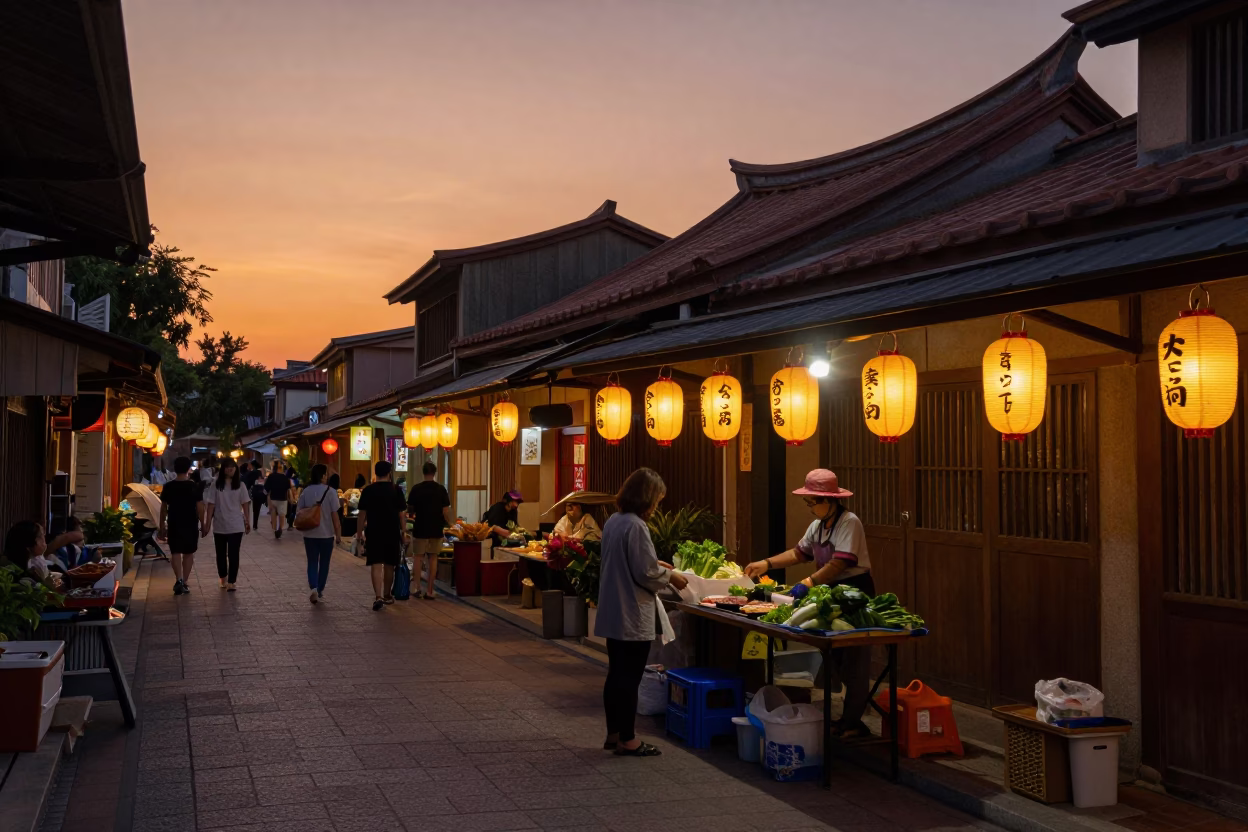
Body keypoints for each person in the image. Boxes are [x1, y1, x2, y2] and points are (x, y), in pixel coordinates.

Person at [744, 469, 874, 740]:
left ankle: (852, 722)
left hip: (853, 595)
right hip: (829, 593)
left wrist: (808, 583)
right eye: (809, 503)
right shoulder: (817, 526)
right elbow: (798, 553)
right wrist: (766, 563)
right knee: (834, 658)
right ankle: (841, 718)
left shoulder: (850, 522)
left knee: (855, 660)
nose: (810, 508)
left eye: (813, 502)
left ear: (829, 500)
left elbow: (841, 563)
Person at [595, 468, 688, 757]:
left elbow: (628, 558)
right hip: (631, 611)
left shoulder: (614, 520)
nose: (657, 506)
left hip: (613, 608)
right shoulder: (636, 525)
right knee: (629, 677)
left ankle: (613, 734)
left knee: (616, 674)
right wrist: (671, 577)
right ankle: (629, 739)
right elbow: (645, 571)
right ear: (647, 498)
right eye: (657, 500)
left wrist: (655, 562)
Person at [356, 460, 408, 611]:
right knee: (390, 564)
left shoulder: (368, 490)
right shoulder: (396, 490)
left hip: (374, 531)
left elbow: (361, 514)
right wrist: (404, 532)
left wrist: (359, 533)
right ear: (389, 473)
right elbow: (401, 514)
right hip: (392, 531)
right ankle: (386, 595)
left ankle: (378, 596)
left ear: (376, 473)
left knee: (376, 563)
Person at [295, 463, 342, 604]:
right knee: (325, 562)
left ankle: (313, 588)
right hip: (326, 534)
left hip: (309, 534)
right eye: (326, 474)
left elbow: (299, 511)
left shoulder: (306, 491)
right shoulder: (331, 492)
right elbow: (335, 516)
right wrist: (338, 534)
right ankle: (320, 589)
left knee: (312, 562)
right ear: (322, 476)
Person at [202, 458, 251, 591]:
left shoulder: (241, 486)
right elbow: (210, 505)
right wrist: (207, 524)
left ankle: (232, 581)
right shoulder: (216, 485)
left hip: (236, 525)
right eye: (227, 467)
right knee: (221, 554)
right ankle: (223, 577)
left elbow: (245, 504)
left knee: (234, 554)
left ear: (236, 469)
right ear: (223, 469)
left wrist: (247, 521)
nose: (230, 469)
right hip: (219, 525)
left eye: (232, 467)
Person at [158, 456, 204, 596]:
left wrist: (162, 526)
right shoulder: (194, 486)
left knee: (176, 552)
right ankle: (184, 581)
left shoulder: (168, 486)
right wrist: (204, 524)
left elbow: (163, 508)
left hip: (174, 522)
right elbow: (200, 507)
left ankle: (178, 579)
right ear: (188, 469)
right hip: (190, 522)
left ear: (175, 468)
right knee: (188, 553)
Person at [406, 460, 451, 600]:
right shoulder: (441, 489)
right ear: (434, 473)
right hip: (436, 528)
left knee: (418, 558)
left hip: (420, 527)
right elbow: (445, 511)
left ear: (423, 472)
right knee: (433, 558)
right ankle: (430, 590)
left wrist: (414, 515)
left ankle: (417, 588)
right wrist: (449, 524)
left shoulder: (416, 489)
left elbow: (410, 510)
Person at [2, 520, 82, 588]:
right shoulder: (17, 575)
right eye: (41, 536)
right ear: (29, 545)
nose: (44, 539)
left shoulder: (34, 560)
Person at [265, 461, 293, 540]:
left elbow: (266, 489)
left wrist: (265, 497)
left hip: (273, 498)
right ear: (281, 468)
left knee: (273, 513)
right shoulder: (286, 478)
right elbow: (288, 489)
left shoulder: (270, 476)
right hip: (282, 499)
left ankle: (274, 529)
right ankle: (280, 528)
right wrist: (291, 499)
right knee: (282, 515)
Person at [247, 462, 267, 529]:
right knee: (257, 508)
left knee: (255, 509)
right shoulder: (260, 473)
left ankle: (255, 524)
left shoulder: (252, 473)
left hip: (254, 492)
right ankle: (255, 524)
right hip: (261, 491)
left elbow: (249, 483)